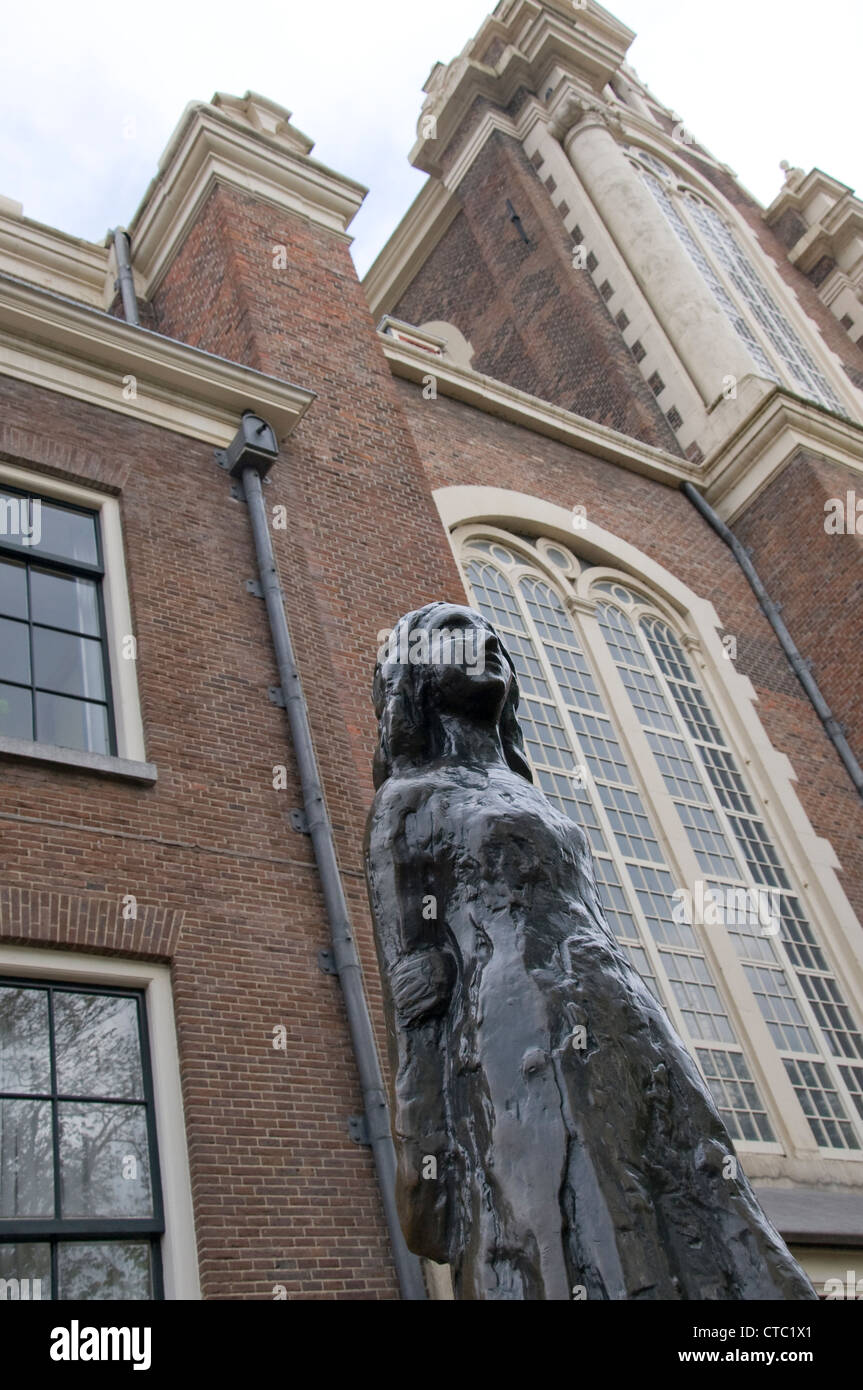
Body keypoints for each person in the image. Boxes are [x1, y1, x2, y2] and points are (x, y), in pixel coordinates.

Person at [365, 601, 817, 1300]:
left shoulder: (527, 793)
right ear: (414, 673)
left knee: (687, 1175)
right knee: (575, 1210)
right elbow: (414, 987)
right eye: (457, 635)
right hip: (517, 1033)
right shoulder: (410, 798)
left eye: (492, 636)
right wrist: (422, 1149)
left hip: (617, 1007)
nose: (484, 643)